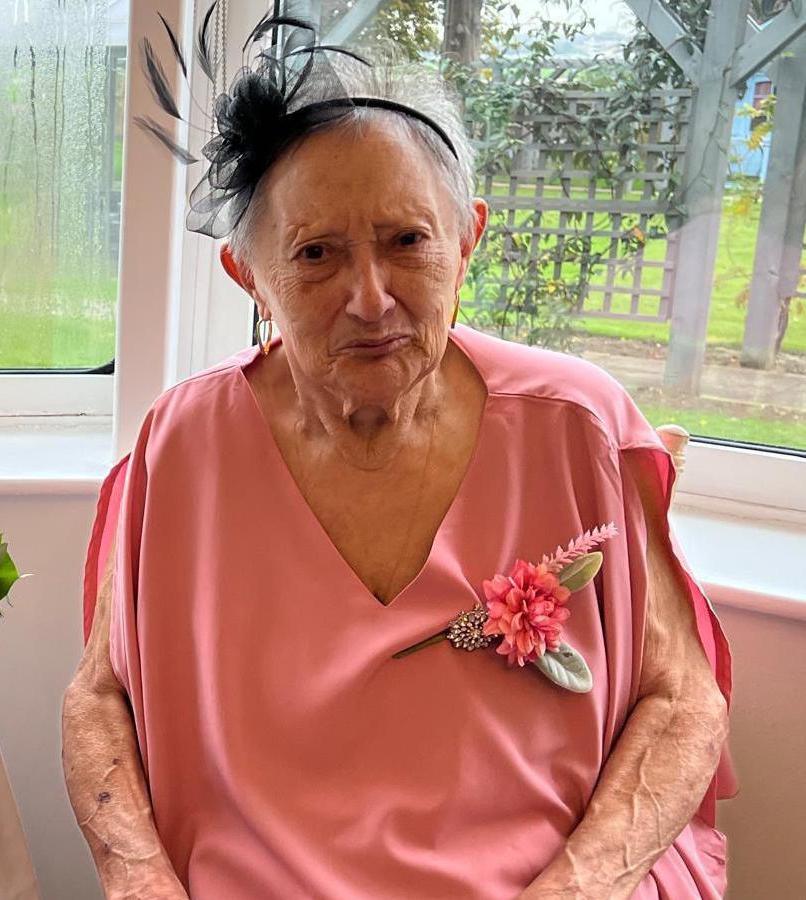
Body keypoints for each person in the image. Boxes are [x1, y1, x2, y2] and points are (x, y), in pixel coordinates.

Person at [61, 13, 733, 899]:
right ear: (249, 276)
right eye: (315, 254)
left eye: (407, 241)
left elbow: (683, 700)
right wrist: (141, 880)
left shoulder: (579, 426)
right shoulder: (180, 446)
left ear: (467, 241)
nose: (370, 298)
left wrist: (576, 890)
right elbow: (99, 696)